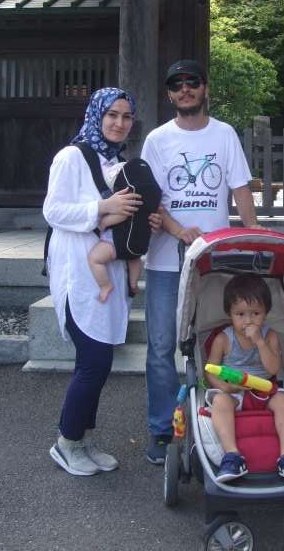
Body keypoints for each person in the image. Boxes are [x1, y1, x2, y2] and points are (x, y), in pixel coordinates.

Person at [140, 58, 260, 465]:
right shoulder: (157, 140)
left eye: (193, 83)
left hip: (216, 261)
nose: (185, 90)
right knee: (160, 346)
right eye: (177, 84)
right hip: (164, 262)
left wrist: (254, 235)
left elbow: (240, 188)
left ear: (205, 88)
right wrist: (176, 230)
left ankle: (217, 416)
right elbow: (151, 196)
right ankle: (161, 428)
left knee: (215, 344)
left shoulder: (224, 134)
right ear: (169, 93)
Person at [43, 87, 162, 477]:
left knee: (99, 359)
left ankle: (82, 438)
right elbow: (53, 210)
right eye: (112, 114)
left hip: (105, 269)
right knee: (94, 361)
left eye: (127, 117)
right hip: (78, 268)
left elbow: (127, 217)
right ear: (96, 115)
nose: (119, 123)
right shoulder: (71, 157)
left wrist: (146, 221)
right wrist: (103, 208)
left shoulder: (117, 162)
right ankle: (66, 441)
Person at [205, 273, 284, 483]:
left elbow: (273, 368)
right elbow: (210, 371)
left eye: (255, 313)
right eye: (240, 314)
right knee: (219, 402)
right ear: (230, 314)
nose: (248, 320)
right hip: (235, 392)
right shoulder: (223, 339)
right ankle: (232, 455)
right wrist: (224, 387)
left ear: (265, 313)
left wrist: (260, 342)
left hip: (264, 390)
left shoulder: (270, 336)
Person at [87, 158, 161, 303]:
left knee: (94, 259)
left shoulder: (123, 202)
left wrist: (103, 223)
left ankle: (105, 285)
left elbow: (121, 216)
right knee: (134, 259)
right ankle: (133, 284)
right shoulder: (144, 201)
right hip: (136, 244)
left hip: (114, 243)